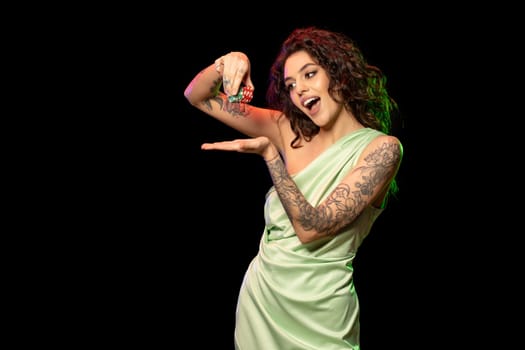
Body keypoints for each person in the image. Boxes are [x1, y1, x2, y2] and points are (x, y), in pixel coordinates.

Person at [184, 26, 403, 350]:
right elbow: (197, 96)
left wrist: (270, 156)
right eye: (291, 85)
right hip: (263, 300)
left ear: (339, 73)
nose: (300, 90)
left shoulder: (383, 150)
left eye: (310, 74)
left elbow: (312, 229)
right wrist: (231, 62)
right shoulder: (287, 128)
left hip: (323, 311)